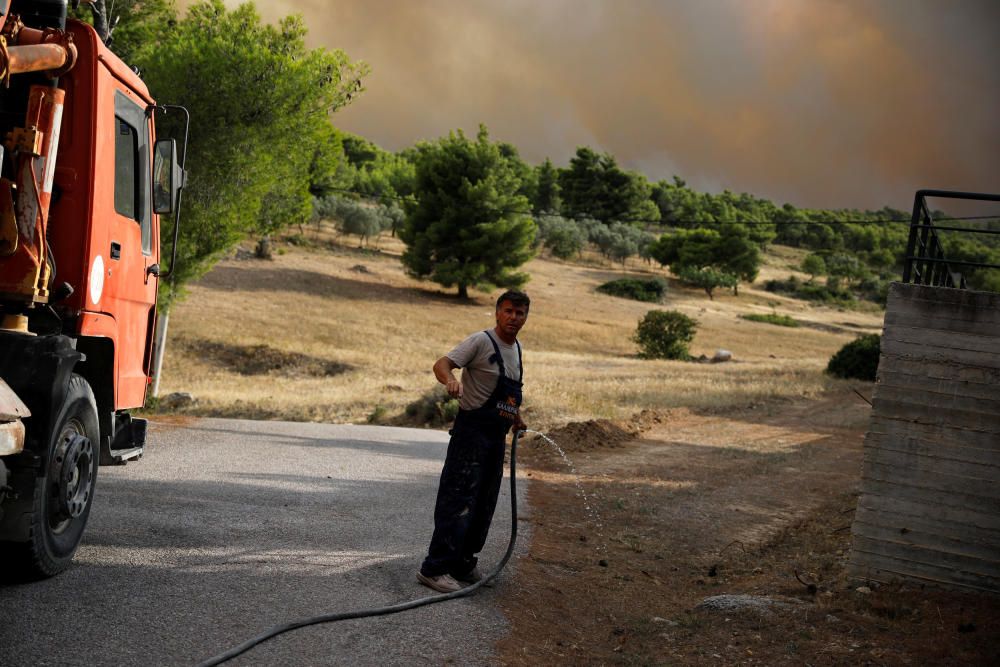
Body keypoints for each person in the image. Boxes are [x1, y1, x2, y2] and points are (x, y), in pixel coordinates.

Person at [417, 290, 530, 593]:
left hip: (496, 439)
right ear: (497, 312)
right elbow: (442, 363)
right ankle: (435, 568)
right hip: (471, 434)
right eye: (508, 311)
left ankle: (463, 563)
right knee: (458, 501)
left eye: (519, 313)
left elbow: (506, 393)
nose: (513, 317)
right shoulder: (481, 342)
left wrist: (515, 416)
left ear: (526, 317)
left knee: (483, 503)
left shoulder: (517, 349)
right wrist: (450, 380)